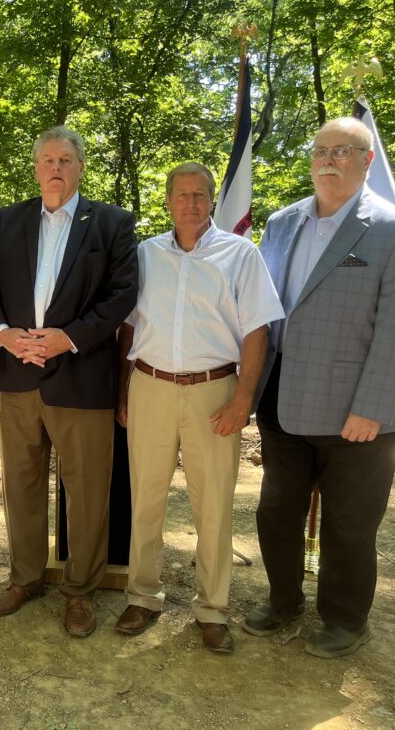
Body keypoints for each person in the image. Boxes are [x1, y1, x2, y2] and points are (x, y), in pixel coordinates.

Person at [245, 117, 395, 658]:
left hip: (358, 412)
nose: (328, 159)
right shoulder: (282, 223)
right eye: (321, 149)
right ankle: (283, 601)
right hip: (285, 401)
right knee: (275, 512)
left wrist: (371, 407)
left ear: (366, 160)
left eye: (343, 151)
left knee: (350, 526)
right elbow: (267, 311)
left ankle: (346, 619)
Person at [0, 126, 138, 637]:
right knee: (20, 484)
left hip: (82, 376)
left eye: (66, 160)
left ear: (80, 167)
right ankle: (25, 578)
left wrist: (69, 338)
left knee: (87, 491)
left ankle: (81, 590)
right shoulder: (9, 220)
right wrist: (2, 335)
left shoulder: (111, 223)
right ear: (36, 167)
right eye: (47, 160)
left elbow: (122, 295)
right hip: (18, 377)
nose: (56, 169)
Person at [114, 163, 283, 653]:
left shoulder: (240, 254)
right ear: (168, 200)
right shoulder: (145, 254)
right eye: (181, 194)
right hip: (150, 386)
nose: (190, 202)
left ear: (211, 200)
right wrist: (124, 390)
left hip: (215, 391)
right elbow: (127, 325)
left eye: (200, 194)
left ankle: (212, 609)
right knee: (145, 499)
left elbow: (258, 330)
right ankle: (143, 596)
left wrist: (242, 400)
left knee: (214, 504)